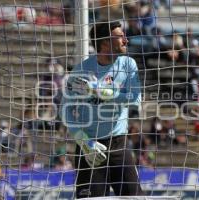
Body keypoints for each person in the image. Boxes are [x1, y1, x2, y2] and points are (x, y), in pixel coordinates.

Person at [60, 21, 143, 198]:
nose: (126, 41)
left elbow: (136, 100)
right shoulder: (81, 71)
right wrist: (82, 140)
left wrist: (101, 91)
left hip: (118, 145)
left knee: (135, 197)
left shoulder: (128, 65)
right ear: (105, 42)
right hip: (90, 148)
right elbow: (65, 111)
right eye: (120, 37)